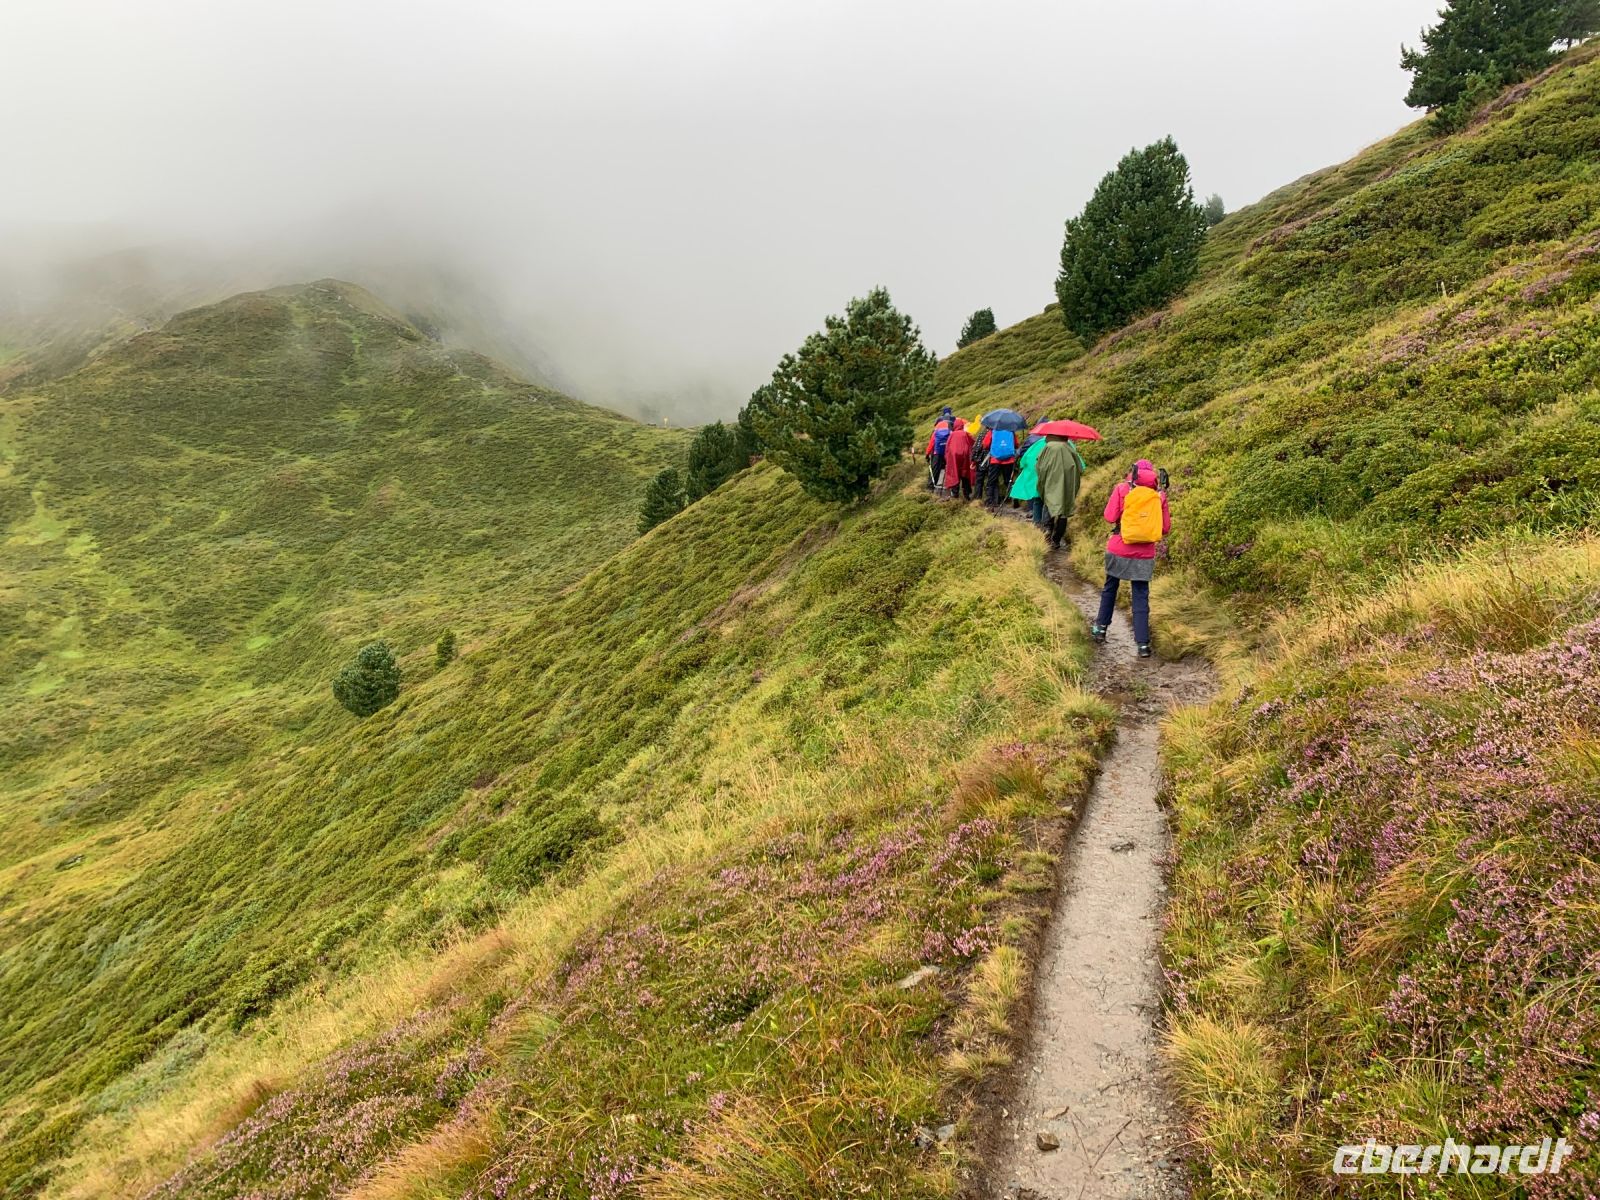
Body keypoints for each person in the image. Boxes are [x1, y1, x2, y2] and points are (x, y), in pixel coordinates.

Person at [1091, 459, 1171, 659]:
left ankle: (1100, 629)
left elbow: (1109, 517)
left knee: (1110, 587)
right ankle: (1143, 644)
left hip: (1119, 547)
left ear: (1133, 473)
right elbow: (1165, 528)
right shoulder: (1159, 496)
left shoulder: (1122, 489)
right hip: (1145, 553)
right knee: (1140, 594)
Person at [1034, 435, 1082, 551]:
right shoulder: (1069, 447)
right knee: (1063, 512)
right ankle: (1056, 540)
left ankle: (1047, 533)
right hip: (1066, 485)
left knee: (1048, 506)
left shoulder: (1048, 447)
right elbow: (1079, 467)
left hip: (1051, 483)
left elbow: (1040, 466)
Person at [1010, 429, 1048, 527]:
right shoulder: (1064, 443)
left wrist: (1021, 464)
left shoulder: (1034, 439)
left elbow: (1023, 454)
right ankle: (1046, 522)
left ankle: (1035, 516)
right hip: (1049, 472)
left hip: (1031, 469)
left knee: (1033, 492)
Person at [981, 424, 1020, 507]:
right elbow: (1016, 444)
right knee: (1009, 480)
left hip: (995, 459)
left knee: (992, 480)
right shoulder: (1011, 431)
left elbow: (985, 444)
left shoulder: (992, 431)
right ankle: (1014, 498)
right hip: (1009, 460)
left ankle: (990, 501)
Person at [943, 418, 976, 500]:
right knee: (965, 474)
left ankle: (955, 494)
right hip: (965, 457)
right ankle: (967, 494)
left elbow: (947, 448)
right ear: (962, 426)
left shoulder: (952, 435)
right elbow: (973, 443)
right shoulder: (965, 434)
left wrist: (947, 459)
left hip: (954, 457)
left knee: (955, 474)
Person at [924, 417, 952, 491]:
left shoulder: (936, 432)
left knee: (935, 470)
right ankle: (950, 487)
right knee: (948, 469)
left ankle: (931, 487)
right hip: (947, 453)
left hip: (937, 453)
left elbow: (931, 444)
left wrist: (927, 454)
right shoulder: (950, 431)